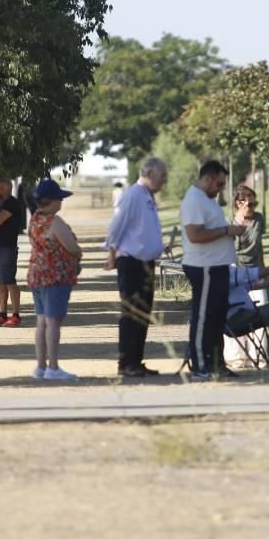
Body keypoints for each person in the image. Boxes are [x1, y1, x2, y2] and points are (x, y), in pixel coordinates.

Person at [104, 157, 168, 378]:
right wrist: (112, 256)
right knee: (131, 312)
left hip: (146, 263)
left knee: (143, 312)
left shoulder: (147, 197)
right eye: (162, 176)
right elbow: (116, 228)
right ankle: (126, 362)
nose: (164, 181)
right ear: (150, 174)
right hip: (131, 262)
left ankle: (136, 360)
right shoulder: (132, 196)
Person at [181, 160, 245, 380]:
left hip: (217, 265)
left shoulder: (207, 200)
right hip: (204, 266)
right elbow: (195, 235)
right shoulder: (194, 200)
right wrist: (227, 230)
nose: (219, 189)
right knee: (204, 316)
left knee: (217, 316)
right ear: (207, 178)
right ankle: (200, 365)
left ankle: (216, 363)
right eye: (218, 184)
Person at [26, 179, 81, 380]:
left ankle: (41, 366)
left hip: (37, 274)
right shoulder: (54, 222)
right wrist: (78, 252)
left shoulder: (34, 219)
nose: (61, 202)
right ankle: (53, 367)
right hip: (55, 276)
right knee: (53, 322)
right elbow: (71, 246)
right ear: (52, 200)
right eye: (59, 198)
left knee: (41, 321)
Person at [0, 178, 25, 328]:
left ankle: (16, 315)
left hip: (8, 248)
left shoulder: (12, 204)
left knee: (9, 281)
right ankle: (2, 313)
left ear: (5, 189)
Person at [232, 185, 266, 270]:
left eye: (255, 204)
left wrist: (262, 268)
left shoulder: (259, 218)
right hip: (237, 268)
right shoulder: (229, 222)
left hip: (255, 267)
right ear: (239, 203)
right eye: (250, 205)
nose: (253, 208)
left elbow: (259, 245)